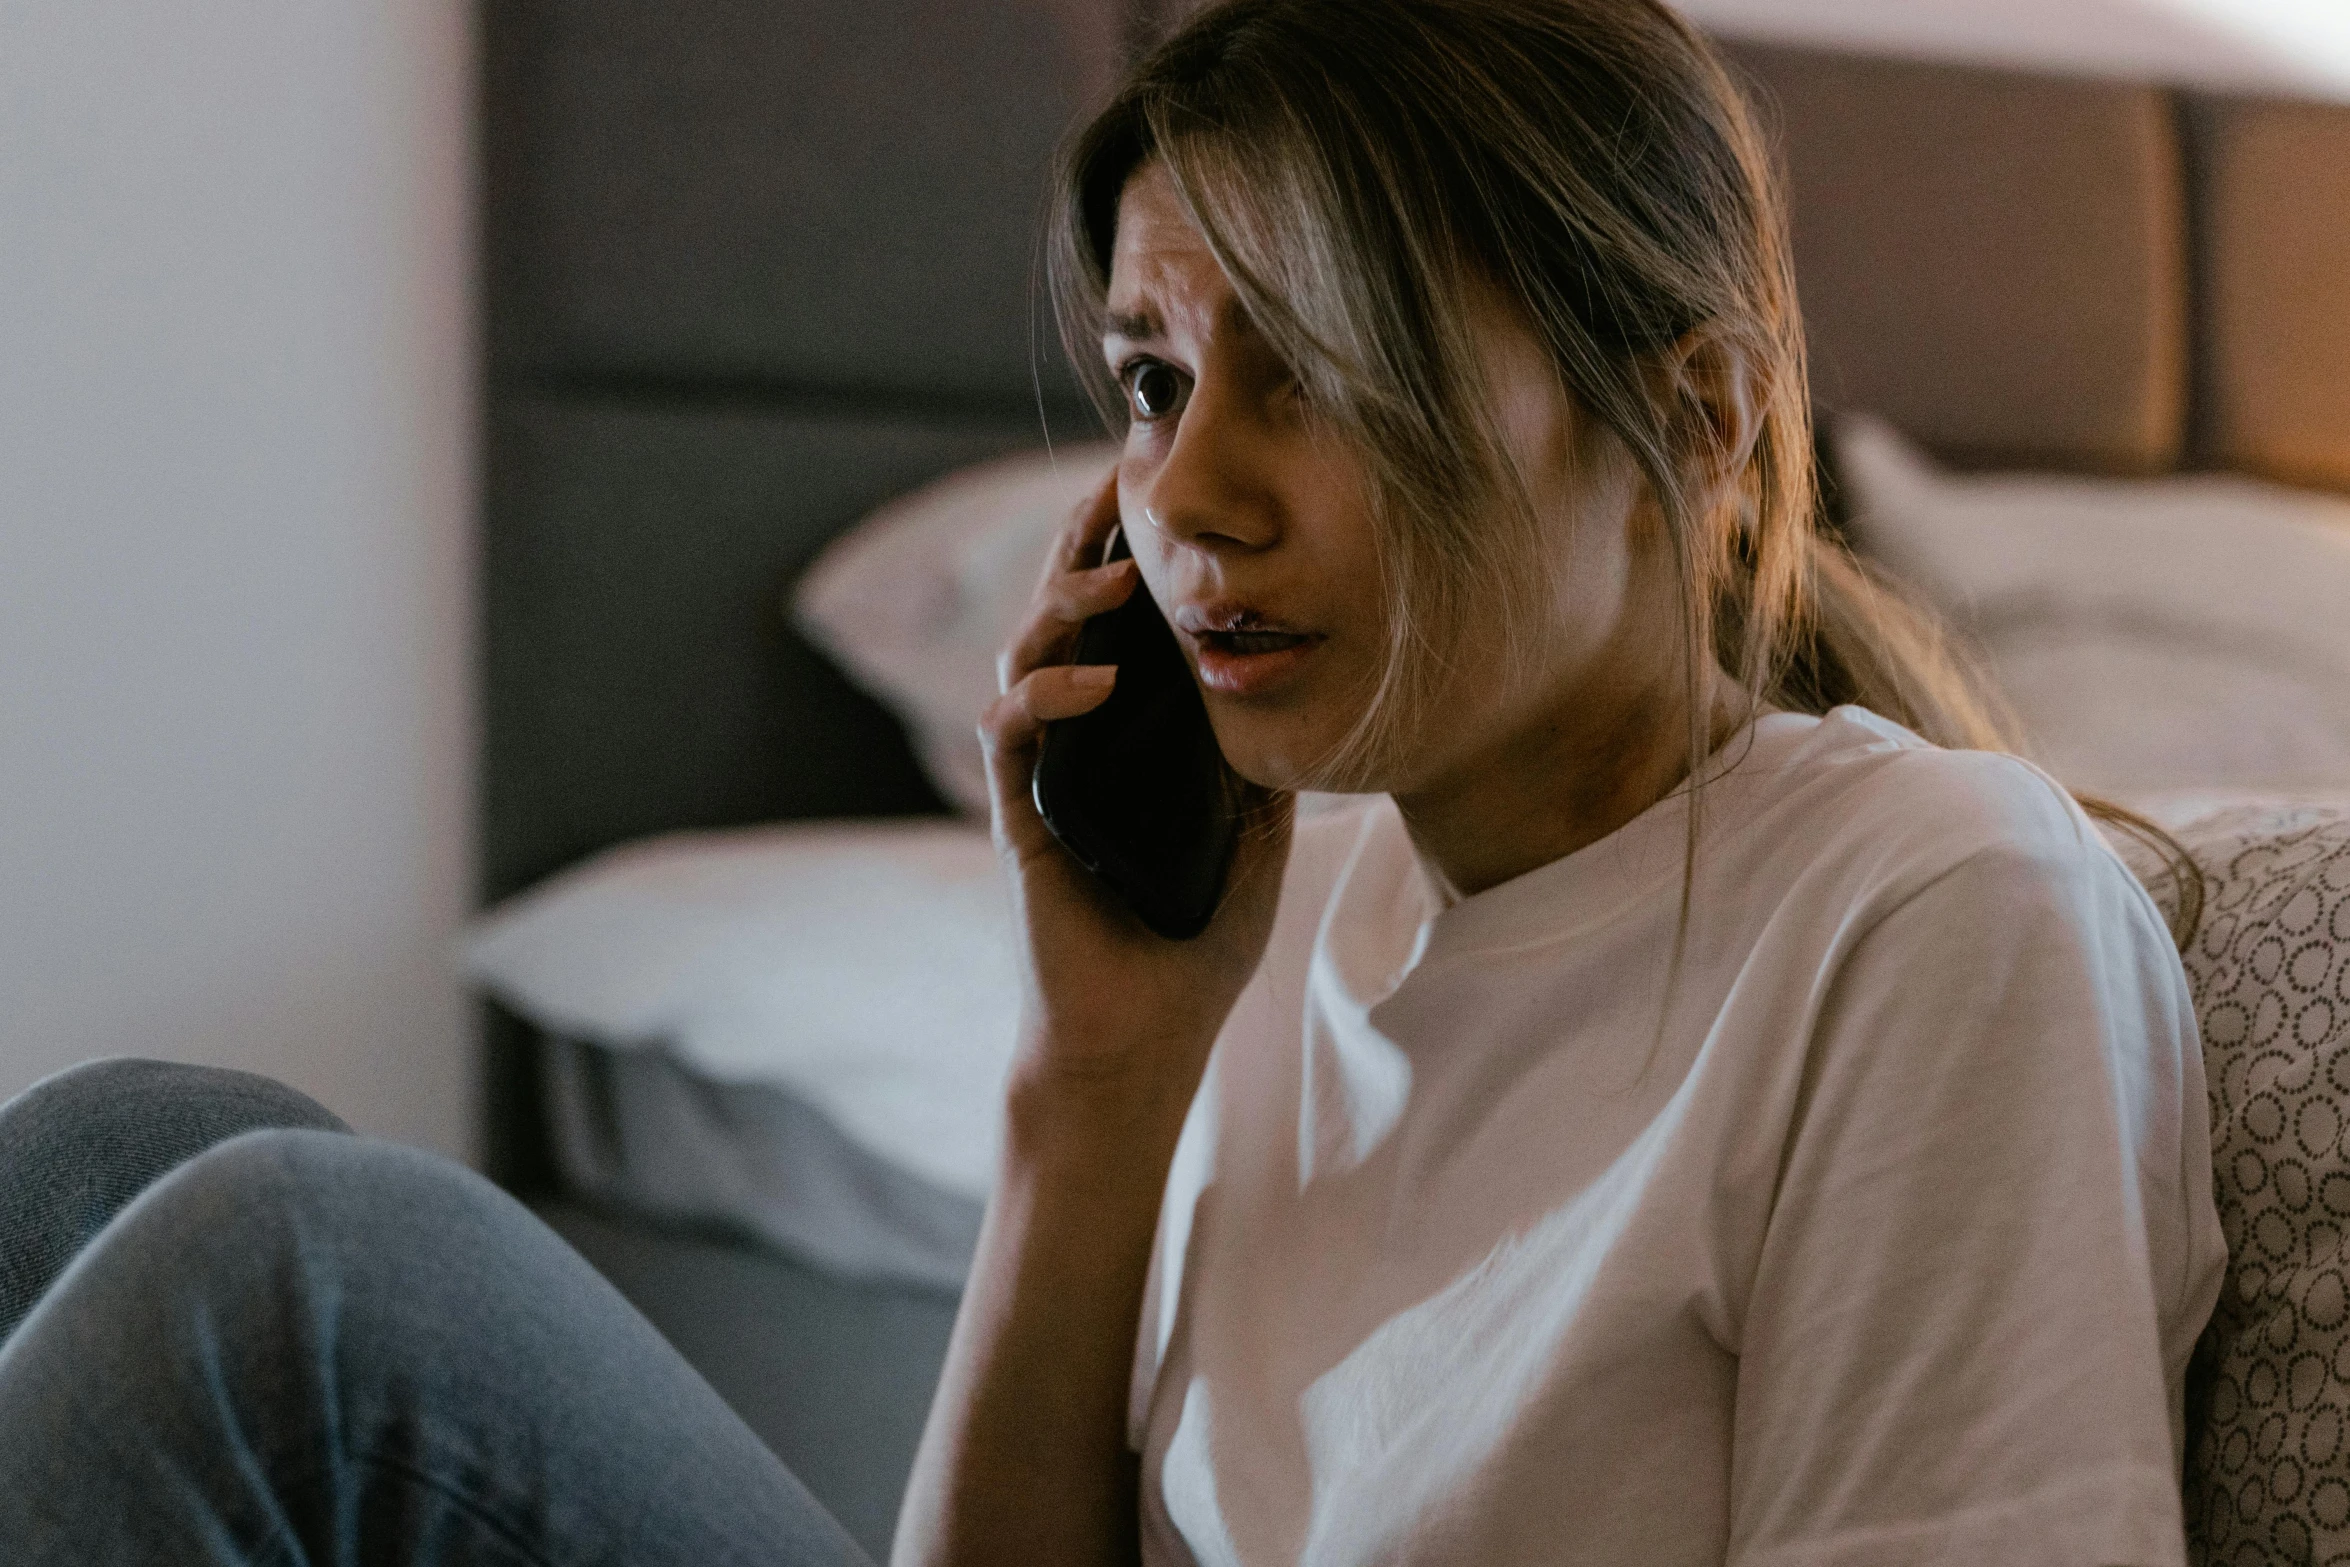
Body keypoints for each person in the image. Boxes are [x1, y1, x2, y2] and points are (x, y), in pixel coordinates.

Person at [0, 2, 2223, 1564]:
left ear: (1705, 419)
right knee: (132, 1146)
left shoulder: (1925, 911)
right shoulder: (1304, 907)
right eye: (1154, 379)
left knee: (289, 1276)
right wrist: (1098, 1081)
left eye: (1323, 372)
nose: (1189, 499)